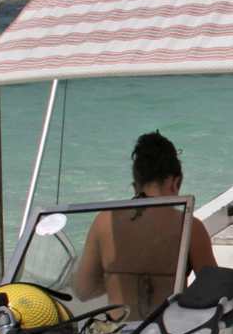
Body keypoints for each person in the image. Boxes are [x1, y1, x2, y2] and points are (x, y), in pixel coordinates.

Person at [74, 131, 220, 320]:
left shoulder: (104, 222)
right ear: (174, 182)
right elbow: (216, 290)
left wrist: (117, 277)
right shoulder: (189, 227)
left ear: (136, 185)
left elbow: (83, 290)